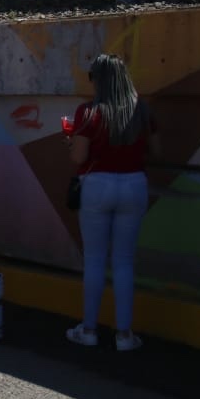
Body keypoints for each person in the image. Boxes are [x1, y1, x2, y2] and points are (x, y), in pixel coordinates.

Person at [65, 53, 160, 352]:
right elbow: (156, 151)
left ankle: (89, 330)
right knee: (124, 262)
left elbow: (78, 157)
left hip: (97, 185)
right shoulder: (142, 110)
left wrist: (72, 144)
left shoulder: (89, 112)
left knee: (94, 260)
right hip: (134, 184)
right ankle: (124, 335)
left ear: (99, 80)